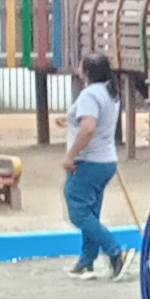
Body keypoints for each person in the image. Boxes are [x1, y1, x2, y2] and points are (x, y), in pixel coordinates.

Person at [60, 55, 127, 281]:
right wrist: (69, 121)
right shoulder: (110, 92)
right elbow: (93, 121)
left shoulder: (89, 94)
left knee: (78, 211)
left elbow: (88, 128)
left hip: (88, 161)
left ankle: (114, 251)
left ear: (87, 71)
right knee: (91, 213)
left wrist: (71, 156)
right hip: (107, 160)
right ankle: (86, 261)